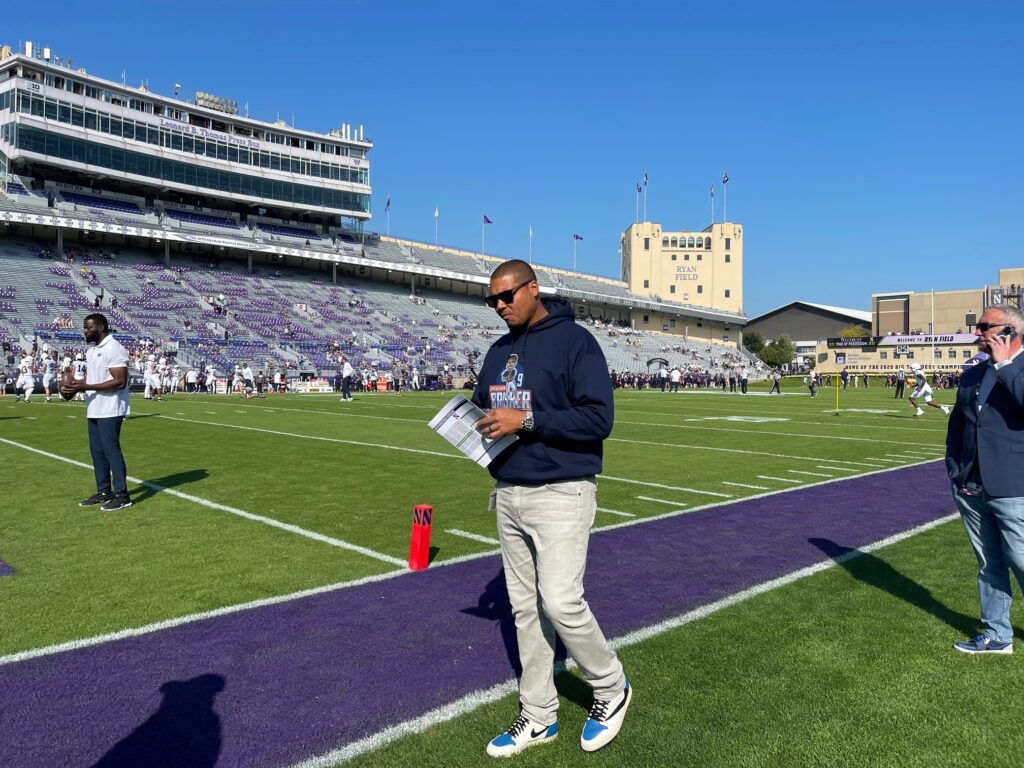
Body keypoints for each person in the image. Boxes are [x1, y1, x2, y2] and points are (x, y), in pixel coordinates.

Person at [472, 260, 630, 757]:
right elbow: (487, 408)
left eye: (507, 296)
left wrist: (528, 421)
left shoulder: (575, 341)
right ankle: (538, 715)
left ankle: (611, 686)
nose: (500, 306)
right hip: (510, 491)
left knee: (561, 602)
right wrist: (474, 423)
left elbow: (598, 418)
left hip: (562, 490)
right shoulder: (498, 350)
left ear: (533, 289)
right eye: (492, 300)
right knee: (524, 611)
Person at [945, 305, 1024, 654]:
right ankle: (997, 634)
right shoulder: (974, 372)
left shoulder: (1016, 367)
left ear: (1008, 331)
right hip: (971, 484)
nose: (977, 333)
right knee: (989, 562)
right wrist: (954, 467)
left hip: (1014, 485)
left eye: (984, 327)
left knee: (1021, 560)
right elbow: (958, 423)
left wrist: (1006, 364)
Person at [60, 313, 132, 511]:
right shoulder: (92, 351)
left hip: (111, 408)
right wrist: (72, 387)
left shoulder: (114, 348)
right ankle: (103, 492)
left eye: (88, 327)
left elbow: (120, 381)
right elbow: (88, 381)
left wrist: (85, 386)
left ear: (101, 328)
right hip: (95, 407)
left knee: (111, 451)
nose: (85, 331)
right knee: (97, 452)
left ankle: (122, 495)